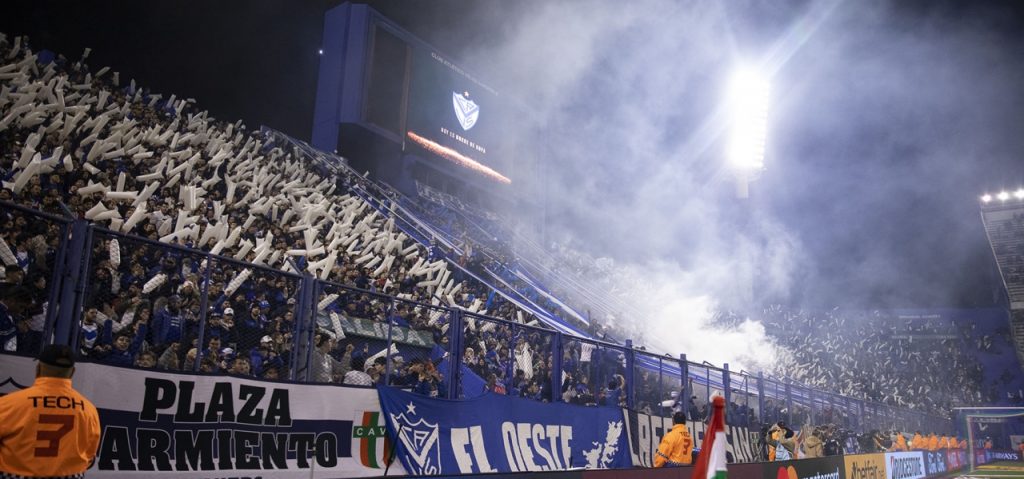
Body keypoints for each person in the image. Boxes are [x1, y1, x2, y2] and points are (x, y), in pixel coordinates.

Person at [0, 345, 101, 477]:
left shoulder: (9, 403)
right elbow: (90, 453)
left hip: (16, 474)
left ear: (38, 368)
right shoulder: (88, 409)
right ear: (72, 372)